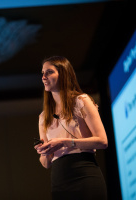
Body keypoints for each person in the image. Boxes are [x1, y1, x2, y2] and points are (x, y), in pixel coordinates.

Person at [34, 56, 108, 200]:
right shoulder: (43, 117)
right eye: (42, 73)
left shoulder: (81, 101)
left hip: (84, 174)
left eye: (49, 72)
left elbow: (102, 141)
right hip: (59, 181)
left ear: (63, 74)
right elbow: (46, 164)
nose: (43, 77)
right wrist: (44, 151)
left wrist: (65, 142)